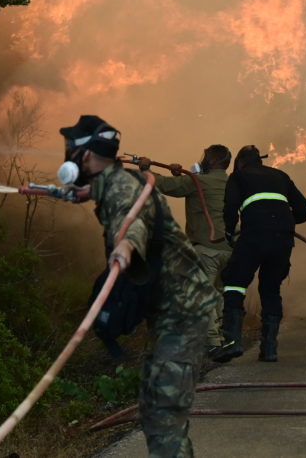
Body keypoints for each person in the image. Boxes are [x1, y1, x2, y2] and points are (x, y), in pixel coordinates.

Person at [58, 115, 216, 456]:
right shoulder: (116, 181)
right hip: (168, 307)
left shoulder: (124, 191)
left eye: (70, 148)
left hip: (184, 310)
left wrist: (124, 250)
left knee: (162, 412)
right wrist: (86, 191)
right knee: (154, 402)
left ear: (84, 156)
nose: (66, 154)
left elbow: (133, 222)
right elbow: (119, 193)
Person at [214, 145, 306, 363]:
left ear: (240, 162)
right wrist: (280, 221)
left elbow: (230, 208)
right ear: (260, 160)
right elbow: (305, 211)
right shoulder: (281, 175)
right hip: (282, 239)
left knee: (234, 282)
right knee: (270, 287)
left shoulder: (238, 176)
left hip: (254, 236)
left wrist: (229, 234)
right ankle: (269, 349)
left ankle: (232, 343)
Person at [138, 146, 233, 357]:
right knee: (220, 295)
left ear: (215, 160)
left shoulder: (197, 181)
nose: (203, 159)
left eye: (207, 157)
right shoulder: (231, 182)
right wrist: (182, 173)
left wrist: (145, 168)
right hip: (230, 249)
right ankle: (225, 338)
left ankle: (214, 344)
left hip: (207, 249)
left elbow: (163, 185)